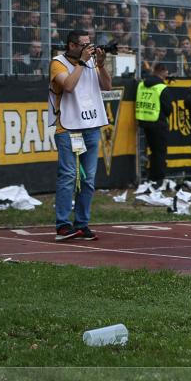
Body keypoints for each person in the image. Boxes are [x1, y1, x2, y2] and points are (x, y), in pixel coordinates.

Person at [48, 30, 113, 241]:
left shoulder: (92, 62)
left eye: (90, 44)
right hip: (68, 127)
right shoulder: (58, 63)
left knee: (88, 179)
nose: (89, 47)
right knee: (68, 176)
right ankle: (63, 225)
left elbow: (107, 86)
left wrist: (101, 65)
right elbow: (67, 86)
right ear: (72, 45)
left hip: (91, 126)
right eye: (84, 44)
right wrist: (82, 63)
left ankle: (82, 224)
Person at [135, 62, 173, 189]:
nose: (167, 74)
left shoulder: (141, 84)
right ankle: (158, 180)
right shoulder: (162, 87)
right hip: (159, 123)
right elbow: (168, 109)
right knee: (159, 153)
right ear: (162, 71)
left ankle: (151, 178)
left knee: (153, 152)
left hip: (145, 122)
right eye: (167, 72)